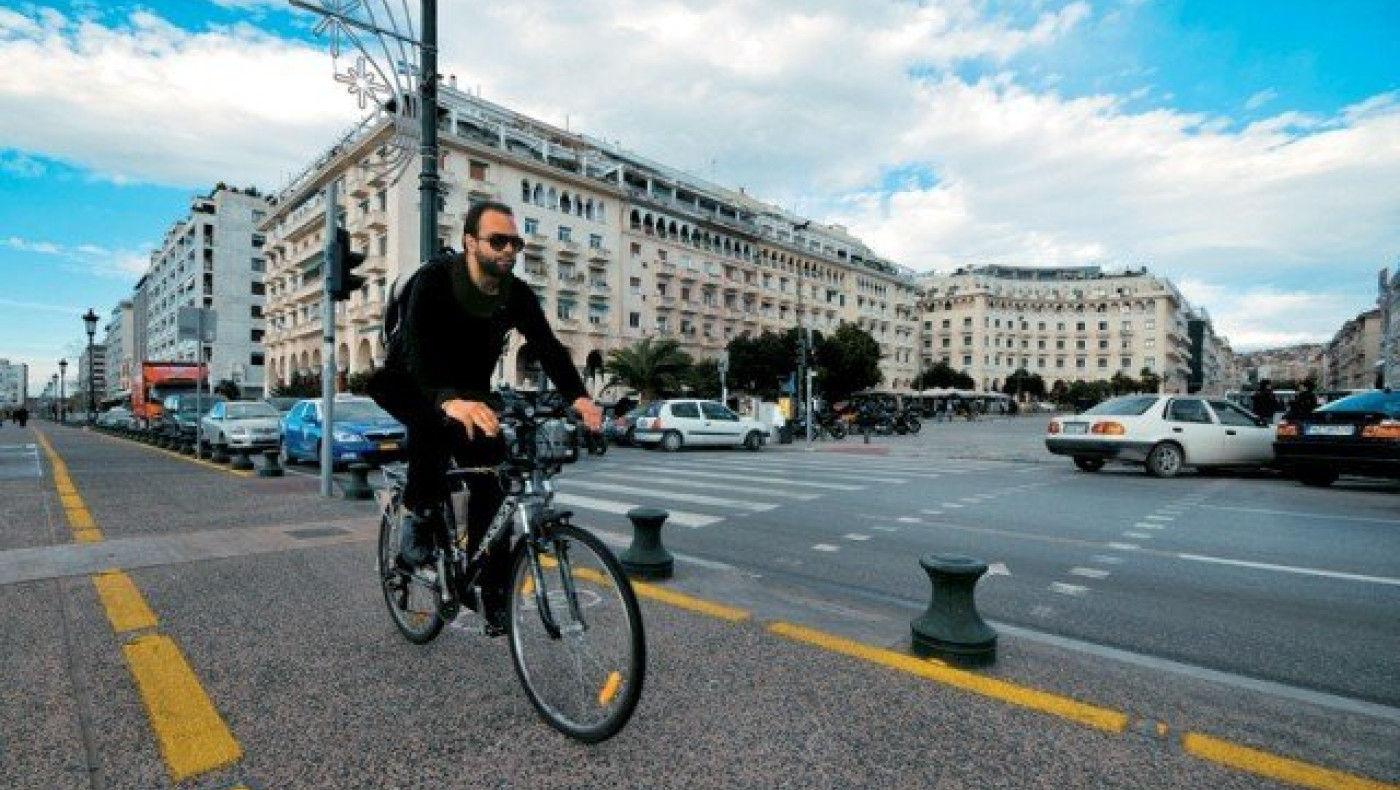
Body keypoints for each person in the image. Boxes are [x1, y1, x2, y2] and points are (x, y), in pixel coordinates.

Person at [371, 200, 602, 631]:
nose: (509, 250)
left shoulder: (515, 293)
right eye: (498, 241)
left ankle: (488, 587)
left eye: (516, 242)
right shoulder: (436, 279)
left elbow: (547, 346)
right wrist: (446, 400)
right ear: (470, 242)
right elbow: (418, 350)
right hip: (409, 381)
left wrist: (580, 398)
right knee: (431, 425)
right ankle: (417, 524)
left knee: (495, 471)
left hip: (473, 393)